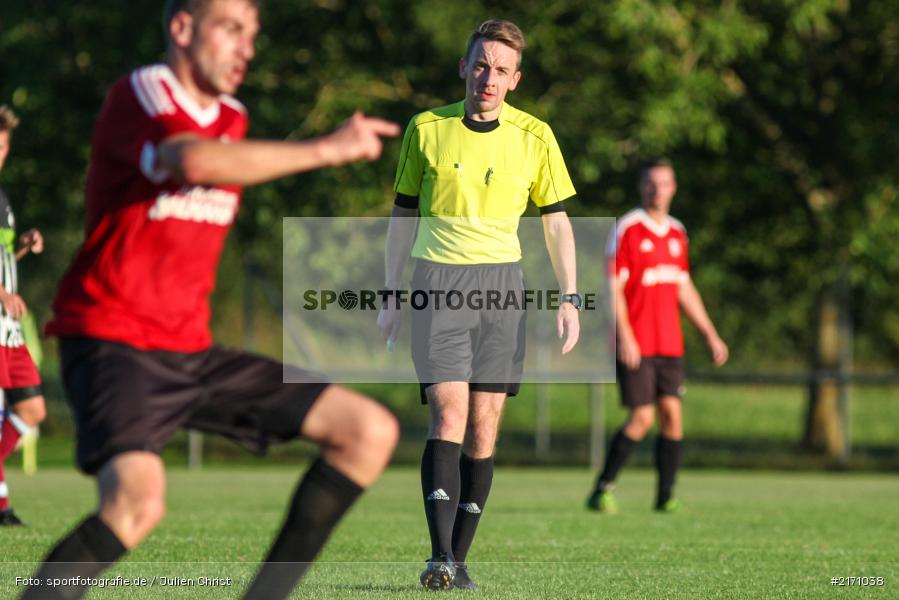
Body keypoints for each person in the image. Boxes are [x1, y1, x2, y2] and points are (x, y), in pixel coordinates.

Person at [22, 1, 400, 598]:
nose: (246, 46)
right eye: (230, 28)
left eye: (252, 33)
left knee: (368, 431)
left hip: (190, 351)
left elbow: (217, 158)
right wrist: (328, 149)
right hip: (114, 342)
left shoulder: (233, 116)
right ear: (182, 28)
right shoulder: (146, 91)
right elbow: (193, 160)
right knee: (136, 507)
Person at [378, 19, 581, 591]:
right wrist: (390, 293)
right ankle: (438, 556)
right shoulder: (425, 128)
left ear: (515, 80)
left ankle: (460, 560)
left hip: (503, 292)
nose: (489, 78)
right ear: (464, 68)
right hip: (438, 284)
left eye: (501, 70)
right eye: (481, 65)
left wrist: (570, 297)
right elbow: (401, 216)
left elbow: (558, 223)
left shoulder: (536, 136)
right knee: (449, 415)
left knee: (485, 430)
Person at [586, 158, 728, 514]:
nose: (657, 190)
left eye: (664, 183)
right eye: (651, 183)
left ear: (673, 187)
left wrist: (710, 334)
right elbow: (612, 289)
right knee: (642, 417)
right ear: (642, 187)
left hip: (670, 343)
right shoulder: (628, 229)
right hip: (637, 343)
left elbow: (684, 287)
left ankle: (665, 497)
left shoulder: (678, 232)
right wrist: (626, 337)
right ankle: (603, 488)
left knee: (672, 415)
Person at [0, 105, 48, 527]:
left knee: (33, 411)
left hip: (9, 331)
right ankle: (3, 509)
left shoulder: (3, 199)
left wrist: (21, 247)